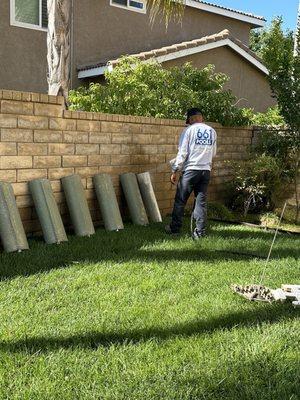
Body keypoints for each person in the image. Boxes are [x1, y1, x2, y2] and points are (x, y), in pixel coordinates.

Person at [165, 108, 217, 240]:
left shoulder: (188, 131)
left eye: (189, 120)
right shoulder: (212, 131)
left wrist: (175, 170)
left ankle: (175, 228)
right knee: (201, 202)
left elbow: (182, 153)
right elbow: (213, 153)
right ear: (201, 117)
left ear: (192, 119)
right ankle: (200, 233)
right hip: (206, 171)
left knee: (180, 200)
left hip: (191, 170)